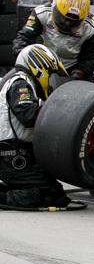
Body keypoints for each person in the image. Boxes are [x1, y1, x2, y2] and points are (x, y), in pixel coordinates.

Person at [0, 45, 71, 209]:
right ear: (39, 66)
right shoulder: (20, 83)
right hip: (12, 155)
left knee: (57, 195)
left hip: (16, 153)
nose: (50, 78)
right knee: (48, 194)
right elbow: (28, 116)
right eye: (50, 72)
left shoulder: (24, 83)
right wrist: (57, 110)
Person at [13, 0, 94, 82]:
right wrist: (29, 61)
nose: (67, 23)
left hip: (74, 69)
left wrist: (79, 73)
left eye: (72, 21)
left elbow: (92, 58)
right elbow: (22, 39)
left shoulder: (92, 28)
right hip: (42, 66)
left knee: (89, 92)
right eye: (64, 18)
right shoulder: (41, 14)